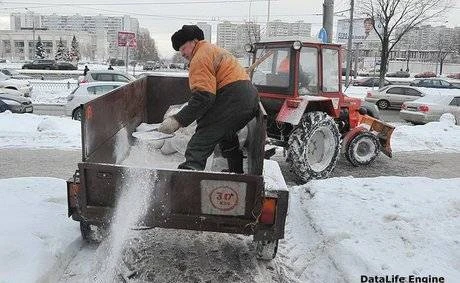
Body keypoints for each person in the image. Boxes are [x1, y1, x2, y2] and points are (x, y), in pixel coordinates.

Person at [157, 25, 259, 173]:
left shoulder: (200, 57)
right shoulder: (212, 50)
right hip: (248, 97)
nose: (182, 53)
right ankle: (236, 173)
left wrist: (177, 120)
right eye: (180, 51)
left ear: (194, 41)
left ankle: (188, 176)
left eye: (184, 48)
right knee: (225, 132)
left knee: (201, 138)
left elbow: (204, 98)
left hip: (234, 97)